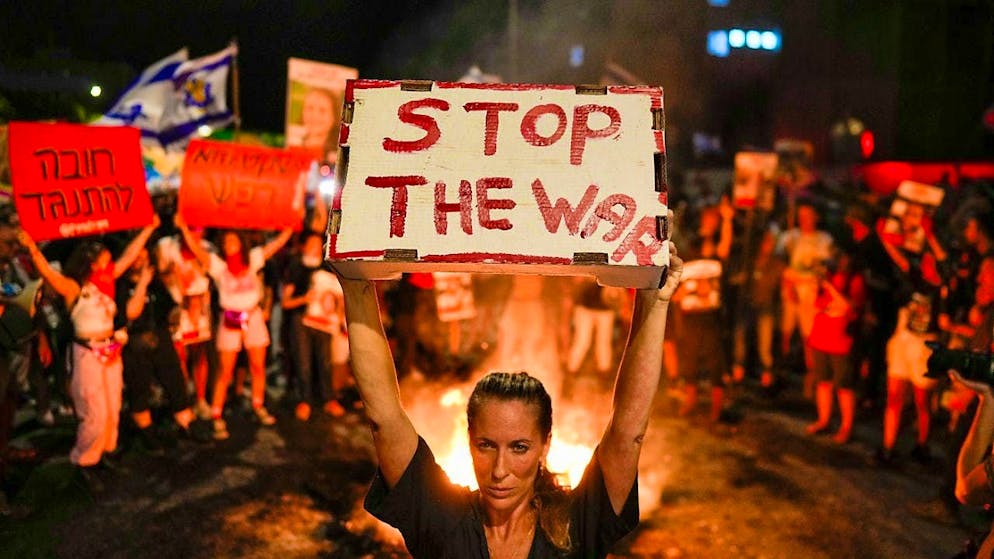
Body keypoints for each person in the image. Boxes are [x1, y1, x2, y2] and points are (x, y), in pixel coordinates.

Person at [338, 242, 683, 559]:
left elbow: (627, 430)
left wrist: (655, 301)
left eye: (519, 447)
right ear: (469, 440)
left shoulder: (575, 526)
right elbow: (383, 416)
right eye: (486, 445)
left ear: (545, 445)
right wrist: (355, 286)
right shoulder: (443, 519)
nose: (499, 471)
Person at [17, 217, 159, 491]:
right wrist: (33, 249)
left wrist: (148, 229)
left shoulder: (108, 281)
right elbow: (48, 274)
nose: (110, 260)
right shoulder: (74, 288)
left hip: (111, 350)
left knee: (112, 407)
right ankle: (83, 463)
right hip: (87, 353)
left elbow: (130, 256)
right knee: (93, 411)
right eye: (104, 258)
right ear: (91, 262)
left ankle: (103, 452)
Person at [174, 214, 292, 440]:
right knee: (225, 371)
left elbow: (275, 245)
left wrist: (289, 226)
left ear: (241, 242)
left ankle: (258, 405)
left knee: (257, 365)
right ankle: (217, 414)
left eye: (233, 241)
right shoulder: (218, 265)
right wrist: (184, 230)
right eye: (226, 242)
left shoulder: (254, 258)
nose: (229, 246)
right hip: (229, 320)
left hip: (254, 317)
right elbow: (198, 252)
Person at [283, 232, 347, 420]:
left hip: (325, 322)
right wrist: (305, 299)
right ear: (303, 246)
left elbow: (339, 296)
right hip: (301, 321)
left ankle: (329, 399)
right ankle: (304, 400)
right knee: (303, 362)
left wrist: (340, 317)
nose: (314, 248)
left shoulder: (328, 267)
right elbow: (286, 301)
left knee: (324, 359)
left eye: (318, 244)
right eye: (310, 243)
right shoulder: (296, 266)